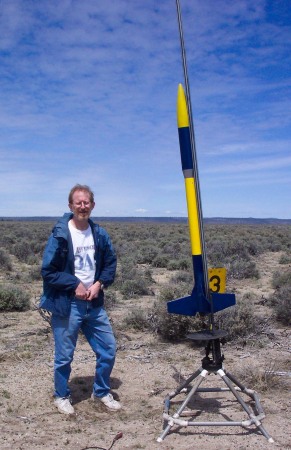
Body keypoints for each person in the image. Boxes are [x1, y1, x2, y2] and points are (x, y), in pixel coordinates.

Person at [40, 184, 121, 415]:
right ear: (70, 205)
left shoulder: (99, 233)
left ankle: (102, 391)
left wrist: (99, 284)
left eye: (87, 202)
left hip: (93, 304)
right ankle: (61, 395)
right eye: (79, 202)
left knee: (108, 349)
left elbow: (110, 264)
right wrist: (74, 284)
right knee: (64, 355)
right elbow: (48, 270)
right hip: (68, 305)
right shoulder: (61, 234)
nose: (83, 206)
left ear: (92, 205)